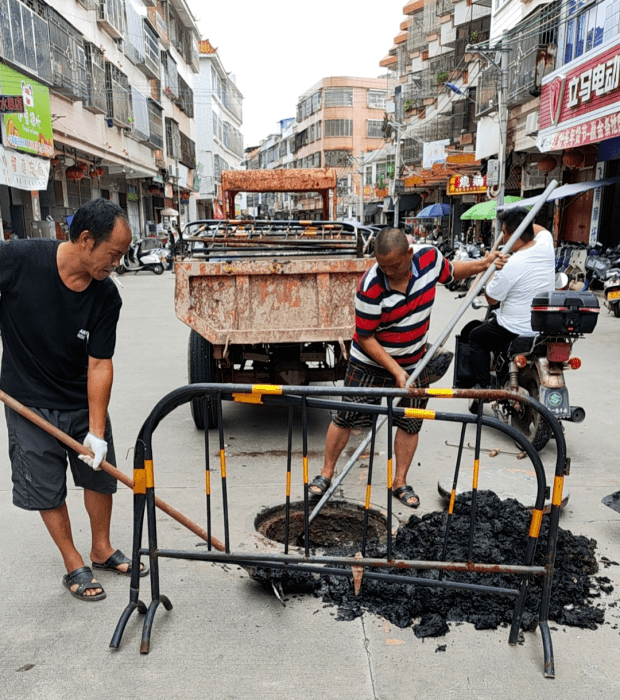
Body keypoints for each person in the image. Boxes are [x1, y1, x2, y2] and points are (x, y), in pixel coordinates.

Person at [0, 198, 145, 602]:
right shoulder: (19, 260)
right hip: (26, 401)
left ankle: (101, 547)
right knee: (46, 487)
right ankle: (72, 561)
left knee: (99, 475)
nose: (117, 263)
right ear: (85, 240)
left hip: (80, 398)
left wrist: (96, 432)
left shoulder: (105, 297)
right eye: (114, 254)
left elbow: (100, 364)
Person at [309, 228, 507, 508]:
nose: (388, 271)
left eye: (395, 265)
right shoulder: (370, 286)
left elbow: (451, 272)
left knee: (410, 421)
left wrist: (482, 265)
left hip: (415, 360)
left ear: (409, 254)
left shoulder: (429, 259)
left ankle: (399, 481)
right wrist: (394, 371)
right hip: (370, 360)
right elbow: (365, 338)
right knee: (346, 416)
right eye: (382, 265)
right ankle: (326, 472)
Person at [468, 207, 555, 393]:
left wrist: (490, 268)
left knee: (476, 337)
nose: (504, 238)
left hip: (513, 329)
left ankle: (484, 388)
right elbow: (541, 230)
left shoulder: (509, 265)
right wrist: (521, 223)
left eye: (505, 233)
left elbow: (491, 299)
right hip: (542, 327)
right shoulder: (546, 244)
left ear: (513, 235)